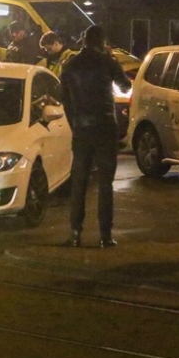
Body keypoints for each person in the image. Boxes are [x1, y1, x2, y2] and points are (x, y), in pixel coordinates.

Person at [60, 25, 130, 248]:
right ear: (101, 42)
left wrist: (75, 124)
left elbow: (66, 100)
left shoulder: (70, 65)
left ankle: (75, 233)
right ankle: (105, 235)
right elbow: (126, 86)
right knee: (105, 183)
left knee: (79, 182)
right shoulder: (107, 61)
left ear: (83, 41)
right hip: (105, 126)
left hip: (81, 128)